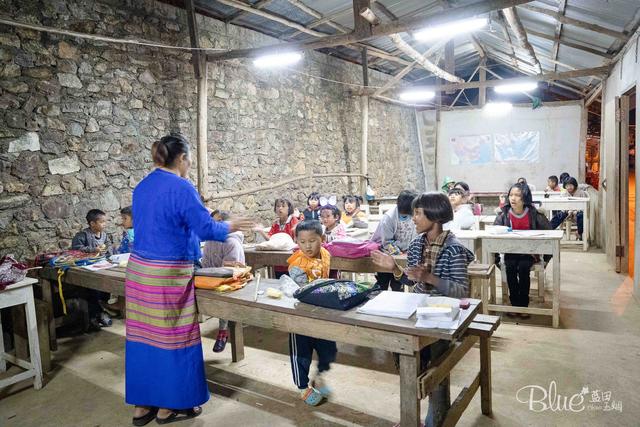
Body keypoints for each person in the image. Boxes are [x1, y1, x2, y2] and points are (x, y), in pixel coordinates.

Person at [125, 134, 254, 425]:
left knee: (143, 337)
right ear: (182, 158)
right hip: (167, 275)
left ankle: (142, 406)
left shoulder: (143, 186)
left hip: (138, 272)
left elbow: (165, 223)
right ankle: (170, 406)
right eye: (190, 158)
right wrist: (231, 224)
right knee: (174, 337)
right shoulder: (182, 187)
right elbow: (206, 228)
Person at [371, 192, 474, 427]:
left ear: (435, 216)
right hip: (418, 309)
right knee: (405, 355)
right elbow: (412, 282)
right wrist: (395, 268)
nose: (413, 219)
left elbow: (459, 292)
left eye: (418, 213)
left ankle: (435, 418)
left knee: (436, 365)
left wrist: (430, 277)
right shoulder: (418, 243)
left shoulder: (453, 249)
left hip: (444, 317)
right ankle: (411, 416)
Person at [287, 220, 337, 406]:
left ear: (322, 239)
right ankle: (302, 387)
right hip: (300, 314)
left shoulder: (325, 254)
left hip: (322, 312)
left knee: (328, 348)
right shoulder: (296, 263)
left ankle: (320, 375)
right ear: (296, 241)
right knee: (301, 352)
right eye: (302, 241)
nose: (308, 246)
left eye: (312, 240)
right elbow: (304, 289)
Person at [494, 182, 551, 317]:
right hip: (511, 252)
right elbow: (493, 234)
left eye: (517, 195)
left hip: (529, 253)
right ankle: (515, 305)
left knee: (524, 268)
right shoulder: (504, 214)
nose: (513, 198)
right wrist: (496, 260)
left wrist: (546, 260)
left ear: (525, 197)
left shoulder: (534, 214)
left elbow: (550, 235)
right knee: (511, 267)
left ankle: (523, 305)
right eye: (511, 195)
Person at [201, 211, 245, 353]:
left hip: (232, 281)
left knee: (225, 299)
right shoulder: (209, 241)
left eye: (215, 223)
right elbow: (206, 264)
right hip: (213, 278)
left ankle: (223, 331)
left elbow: (230, 271)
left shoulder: (231, 242)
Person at [72, 209, 113, 330]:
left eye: (105, 222)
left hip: (102, 267)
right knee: (93, 291)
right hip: (87, 269)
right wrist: (92, 250)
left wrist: (108, 252)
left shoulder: (104, 235)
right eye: (102, 222)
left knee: (106, 288)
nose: (105, 224)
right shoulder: (82, 235)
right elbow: (75, 249)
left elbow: (109, 246)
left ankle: (102, 311)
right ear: (92, 223)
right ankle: (94, 316)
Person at [370, 190, 417, 291]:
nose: (407, 217)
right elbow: (387, 242)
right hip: (387, 252)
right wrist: (398, 253)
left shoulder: (414, 216)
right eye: (404, 215)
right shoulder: (388, 218)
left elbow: (414, 236)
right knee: (383, 281)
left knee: (397, 282)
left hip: (404, 251)